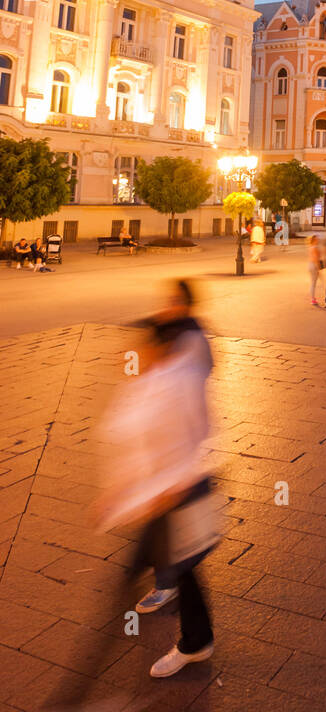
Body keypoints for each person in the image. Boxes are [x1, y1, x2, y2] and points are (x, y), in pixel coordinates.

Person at [114, 282, 217, 666]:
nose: (135, 355)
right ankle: (184, 621)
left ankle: (195, 642)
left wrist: (175, 482)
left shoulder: (183, 373)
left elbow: (200, 430)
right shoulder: (156, 379)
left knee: (181, 565)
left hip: (180, 489)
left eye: (143, 348)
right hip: (159, 491)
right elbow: (137, 436)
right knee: (172, 562)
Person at [307, 233, 323, 306]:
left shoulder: (311, 247)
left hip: (310, 265)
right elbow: (316, 259)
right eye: (317, 239)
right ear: (314, 240)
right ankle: (312, 299)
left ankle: (312, 298)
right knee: (313, 284)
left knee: (313, 283)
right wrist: (319, 268)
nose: (318, 240)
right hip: (314, 266)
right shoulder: (315, 248)